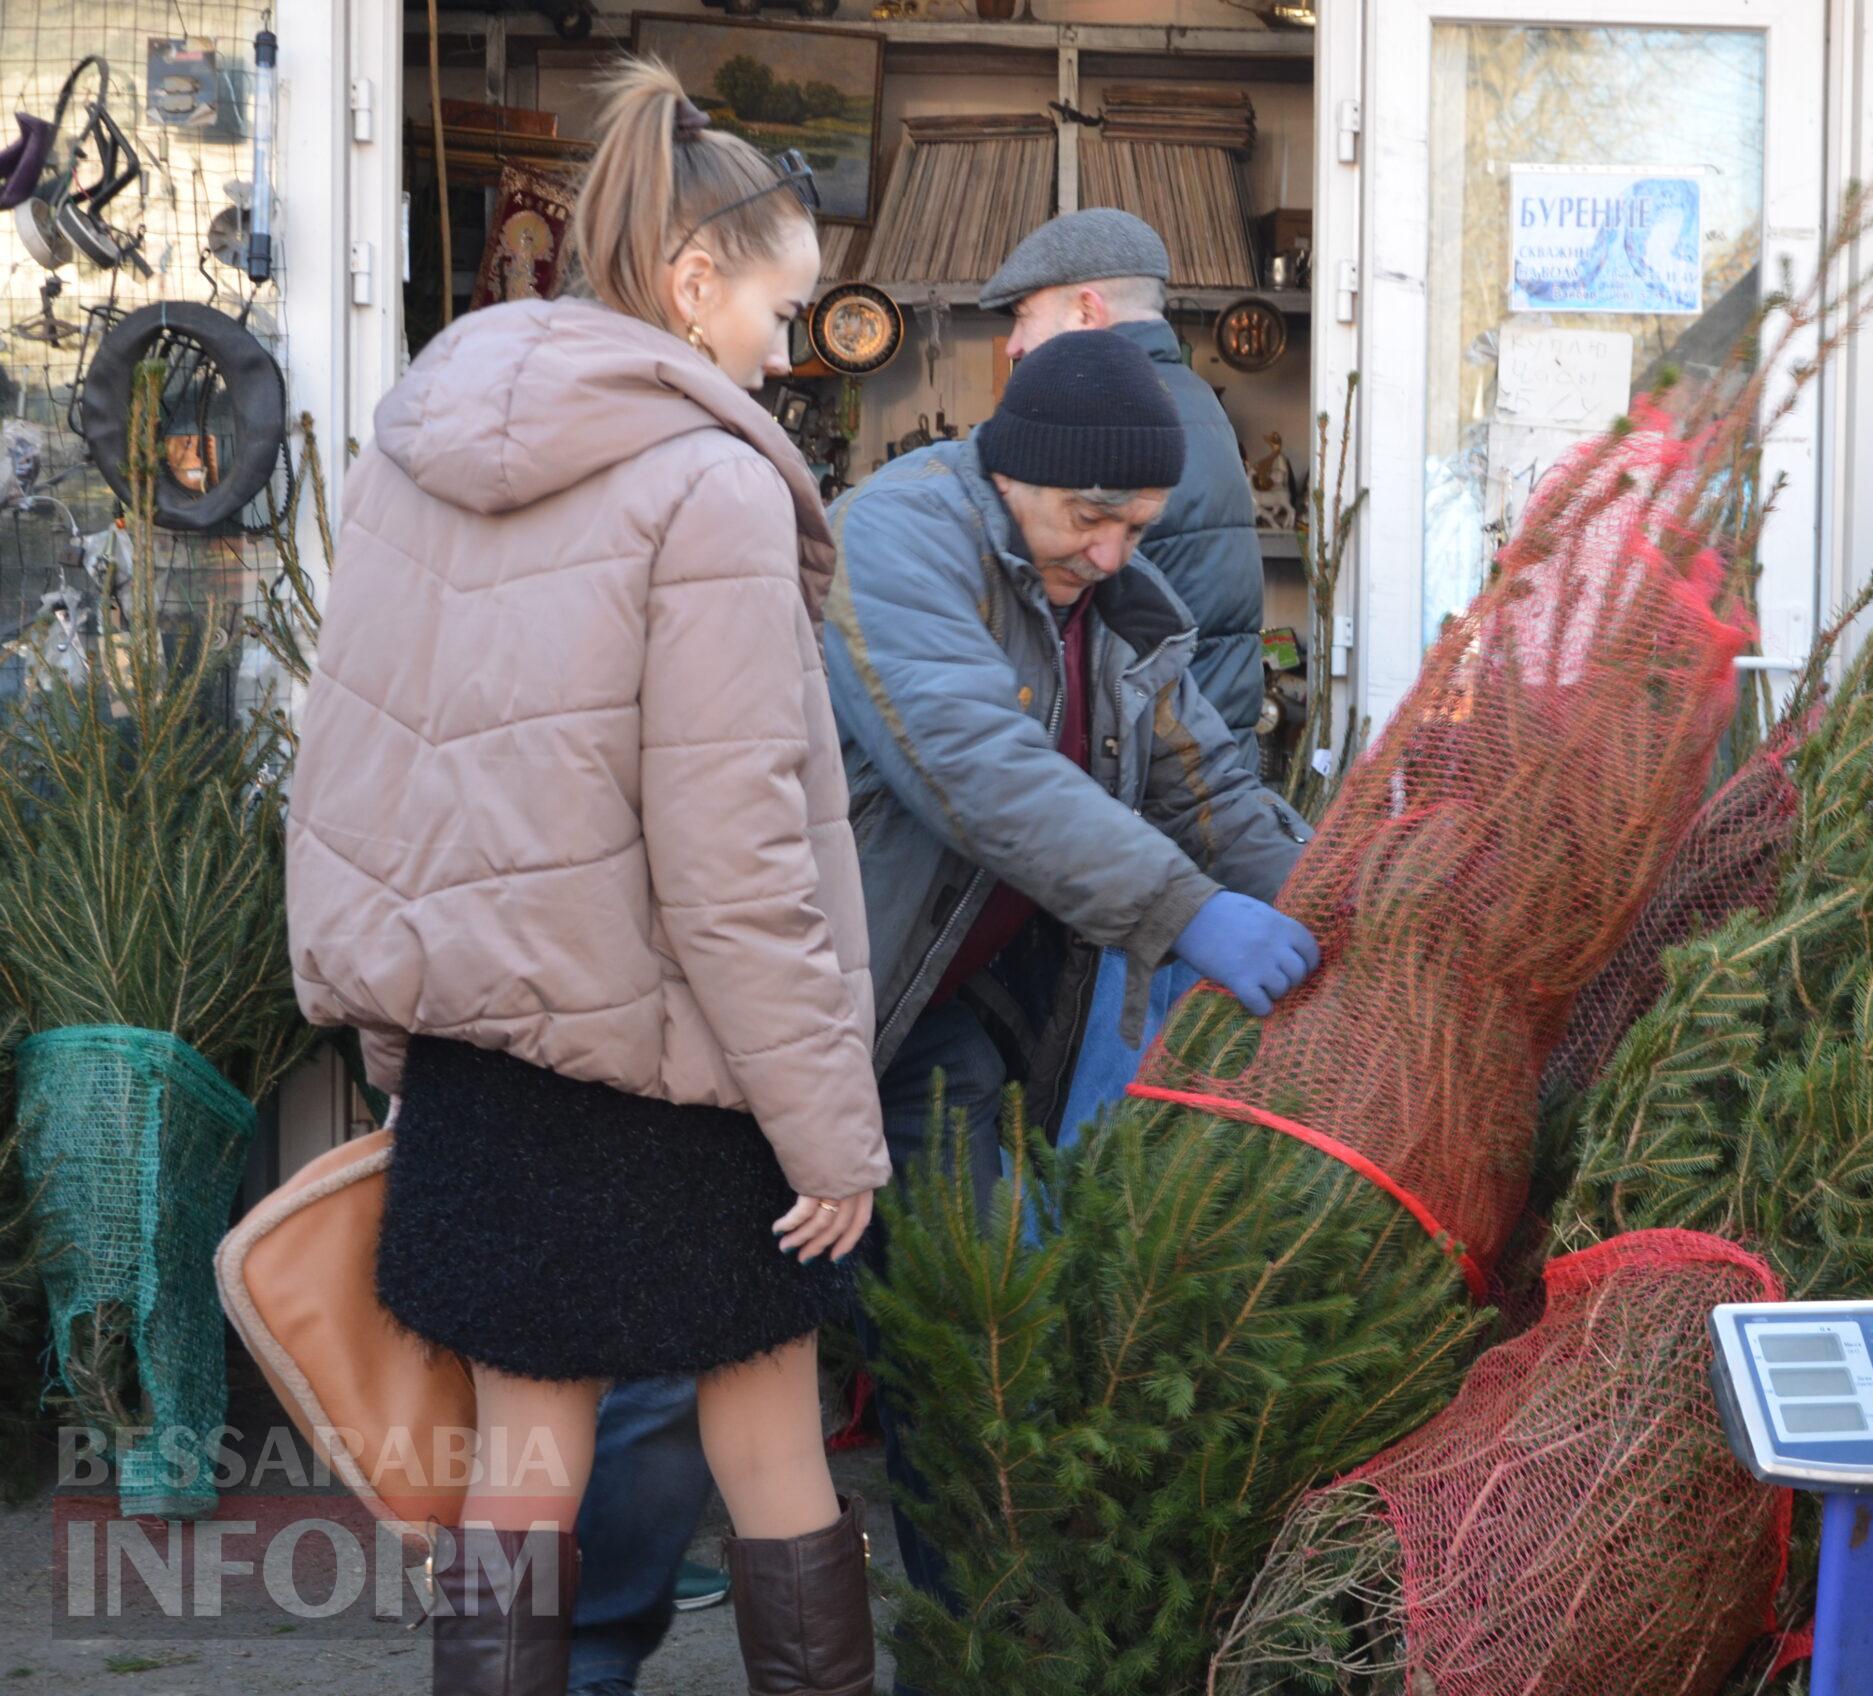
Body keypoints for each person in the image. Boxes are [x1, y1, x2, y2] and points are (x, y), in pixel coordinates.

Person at [285, 60, 882, 1696]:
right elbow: (736, 857)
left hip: (489, 1069)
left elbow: (354, 773)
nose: (790, 345)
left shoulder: (417, 450)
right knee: (770, 1448)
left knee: (518, 1474)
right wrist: (827, 1122)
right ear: (696, 285)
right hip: (675, 1083)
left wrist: (404, 1048)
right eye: (783, 305)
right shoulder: (713, 486)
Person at [821, 327, 1317, 1673]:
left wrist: (1334, 909)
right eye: (1091, 519)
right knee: (706, 1367)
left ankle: (970, 1647)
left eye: (1138, 524)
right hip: (800, 1029)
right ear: (1009, 472)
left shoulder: (1113, 599)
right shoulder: (894, 544)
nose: (1113, 551)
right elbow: (977, 770)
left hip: (947, 1030)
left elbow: (1204, 787)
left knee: (966, 1340)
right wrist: (1184, 915)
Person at [980, 208, 1270, 763]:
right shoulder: (1191, 399)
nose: (1014, 344)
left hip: (1161, 776)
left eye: (1023, 316)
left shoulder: (1113, 424)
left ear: (1087, 311)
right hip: (1208, 759)